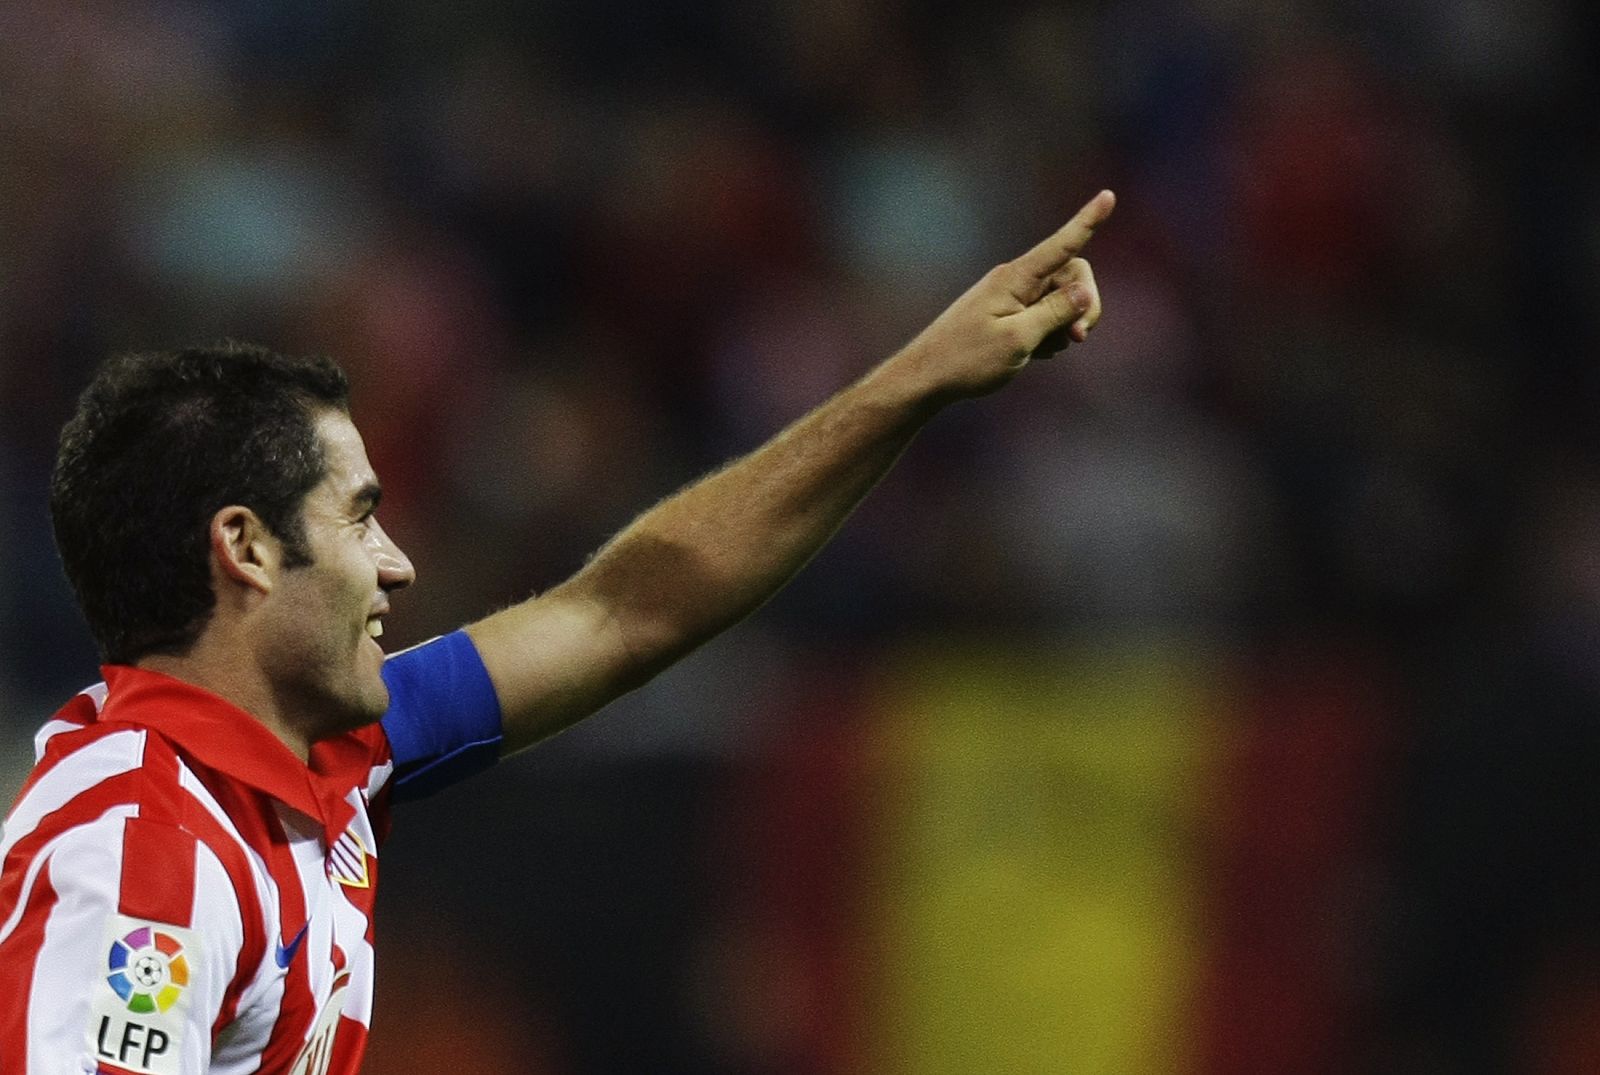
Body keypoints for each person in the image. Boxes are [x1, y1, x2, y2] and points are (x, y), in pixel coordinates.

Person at [0, 189, 1114, 1074]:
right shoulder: (138, 848)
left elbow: (624, 610)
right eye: (358, 516)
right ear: (243, 548)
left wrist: (918, 379)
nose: (398, 562)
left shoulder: (320, 756)